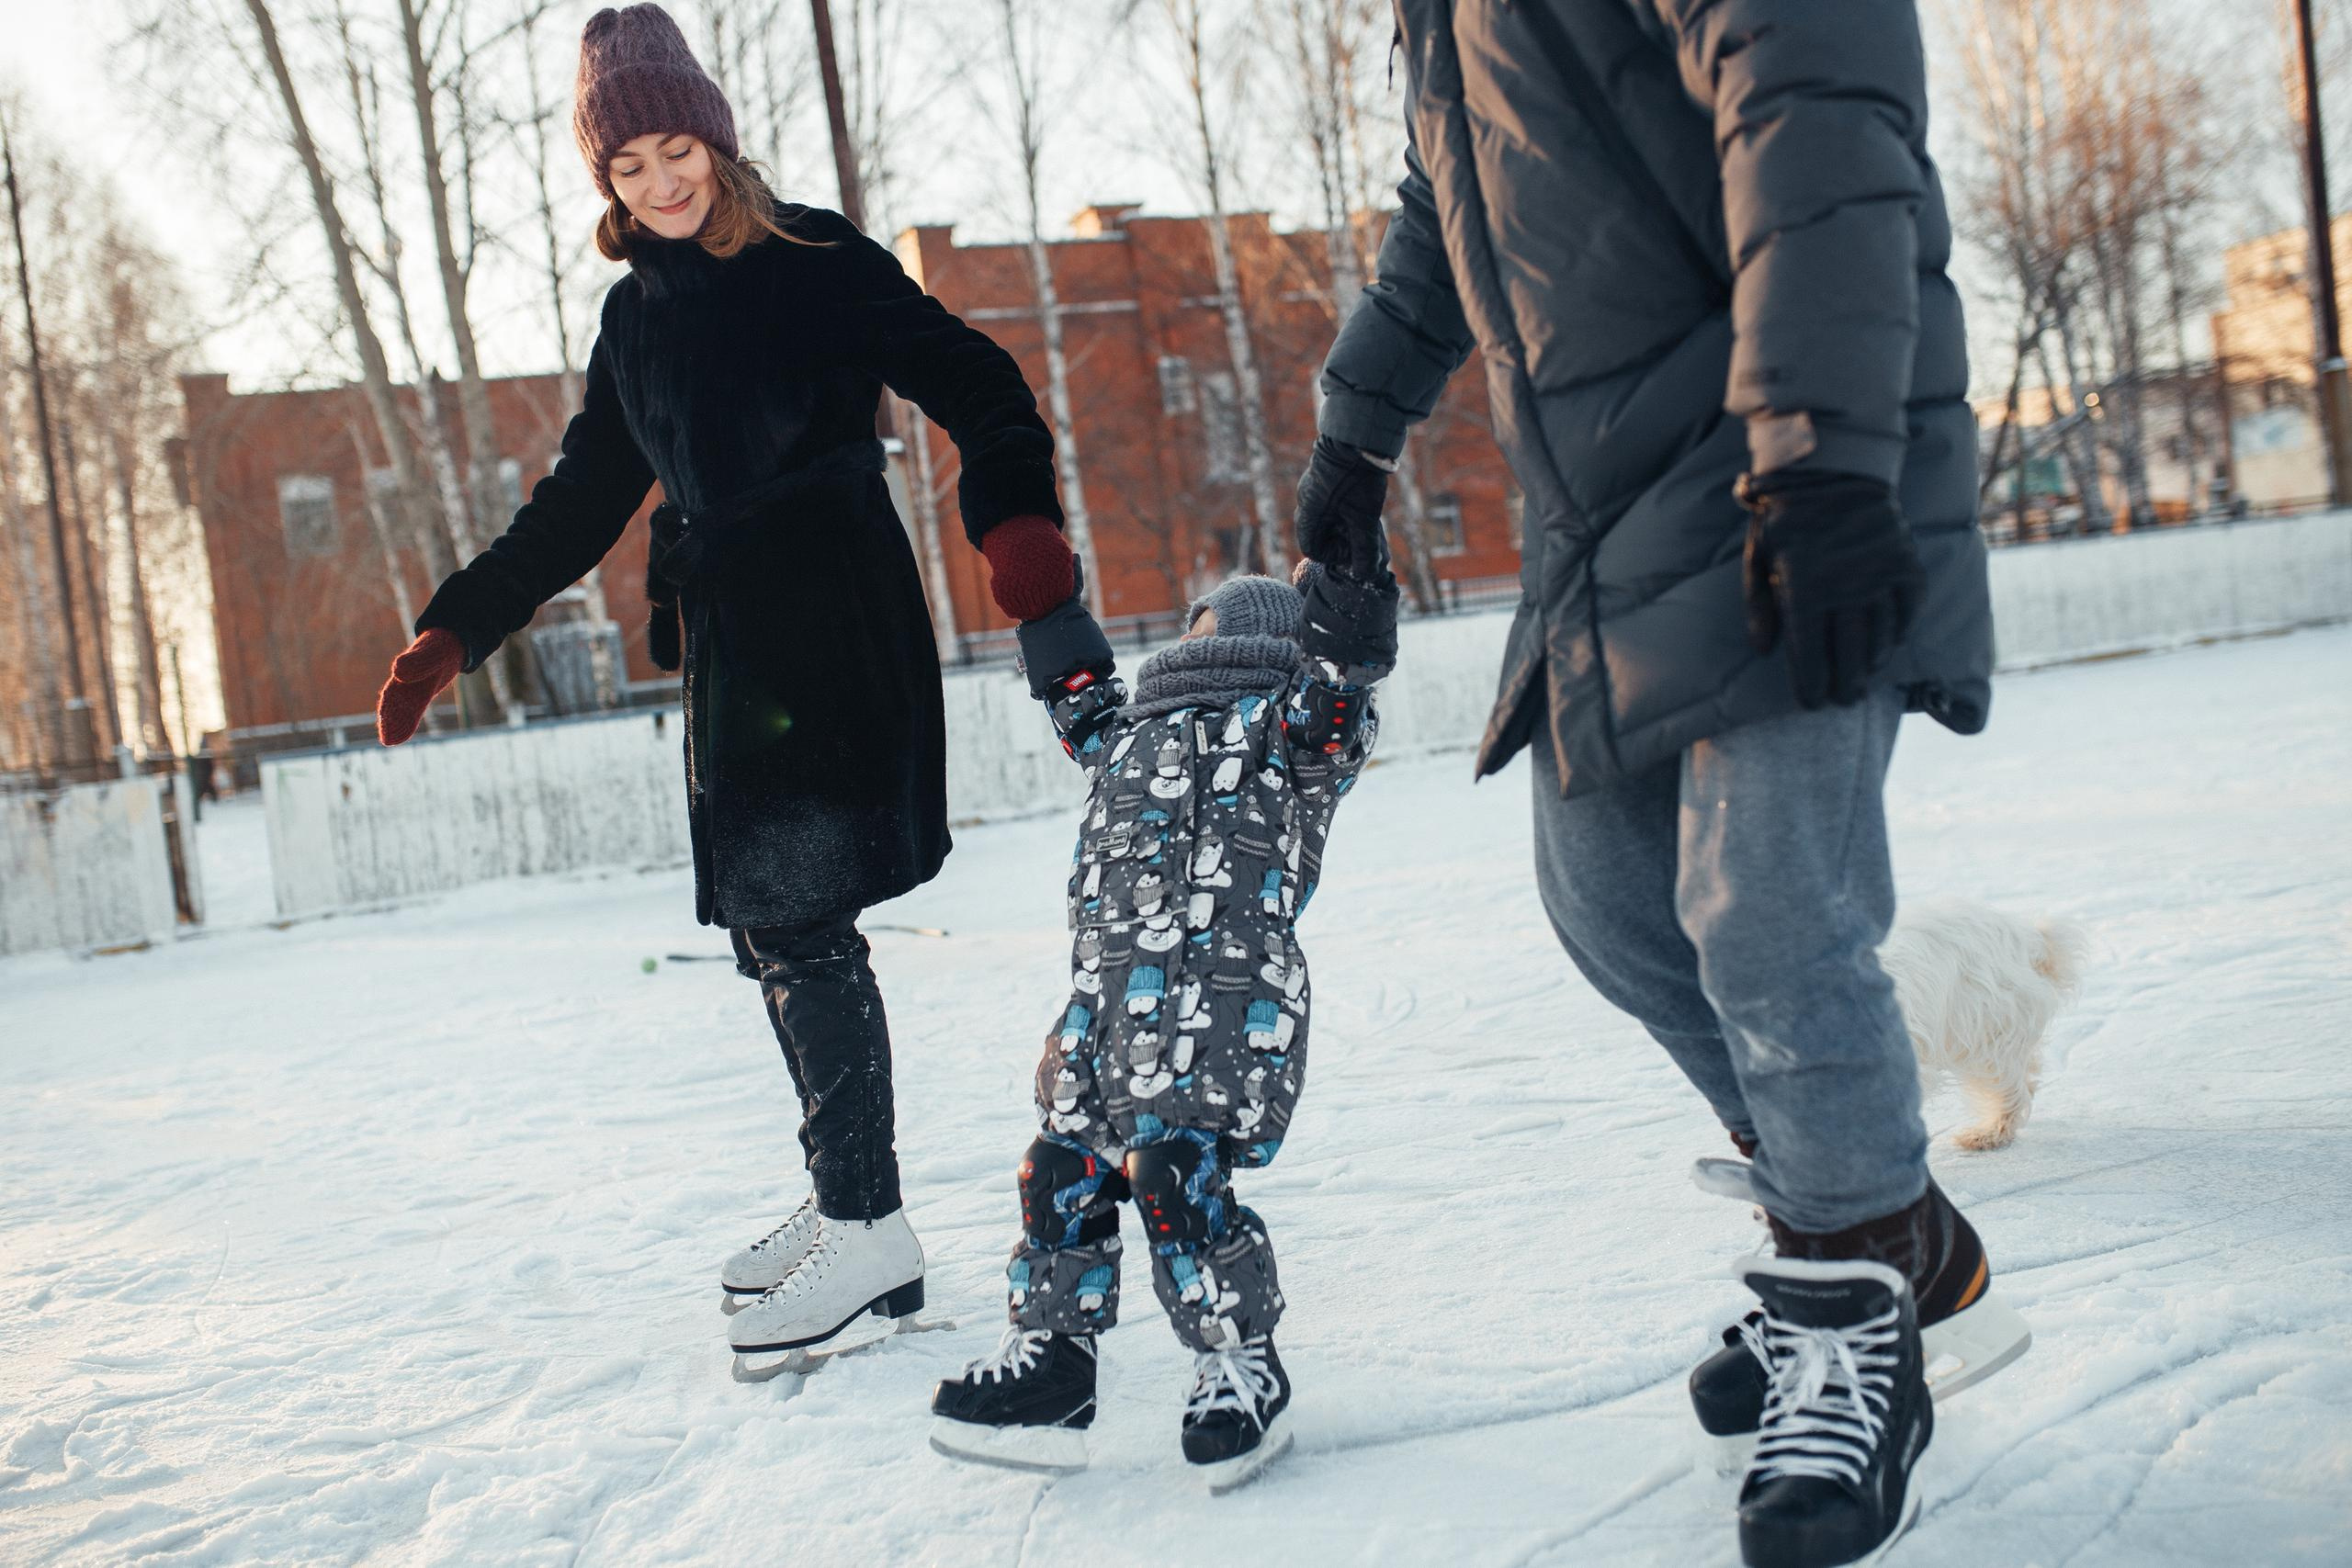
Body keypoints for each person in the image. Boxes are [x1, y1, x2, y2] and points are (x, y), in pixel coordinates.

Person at [1293, 7, 2017, 1564]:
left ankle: (1849, 1303)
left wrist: (1820, 452)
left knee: (1768, 909)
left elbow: (1815, 103)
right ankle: (1877, 1227)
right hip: (1613, 503)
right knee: (1613, 901)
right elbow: (1454, 195)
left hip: (1794, 452)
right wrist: (1357, 432)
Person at [369, 4, 1083, 1376]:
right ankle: (849, 1203)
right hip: (735, 646)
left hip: (832, 614)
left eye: (671, 145)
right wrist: (460, 627)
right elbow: (576, 501)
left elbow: (979, 380)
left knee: (800, 913)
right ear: (606, 182)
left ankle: (869, 1225)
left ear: (714, 132)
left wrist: (1015, 526)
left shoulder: (814, 255)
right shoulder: (635, 322)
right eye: (625, 164)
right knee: (777, 926)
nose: (659, 182)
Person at [926, 557, 1399, 1491]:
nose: (1190, 636)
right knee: (1056, 1170)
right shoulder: (1127, 735)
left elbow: (1346, 671)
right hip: (1102, 1015)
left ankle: (1238, 1366)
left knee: (1173, 1178)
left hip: (1221, 1010)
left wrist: (1345, 571)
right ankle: (1052, 1367)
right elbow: (1074, 684)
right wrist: (1042, 600)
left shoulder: (1289, 736)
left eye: (1205, 623)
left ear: (1249, 637)